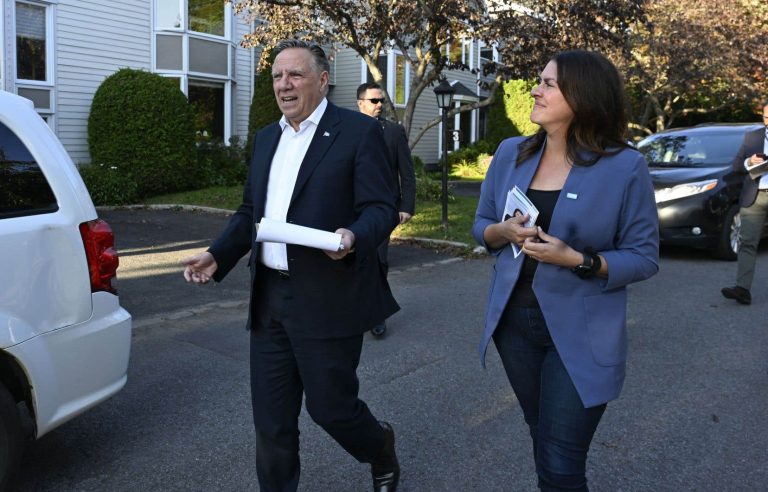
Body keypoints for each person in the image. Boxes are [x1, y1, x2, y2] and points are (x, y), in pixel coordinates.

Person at [181, 40, 401, 492]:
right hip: (271, 300)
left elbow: (381, 207)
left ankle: (379, 446)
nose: (284, 84)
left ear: (322, 80)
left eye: (295, 75)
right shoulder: (266, 138)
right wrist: (217, 254)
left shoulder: (358, 133)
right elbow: (250, 214)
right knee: (272, 421)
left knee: (331, 408)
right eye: (278, 76)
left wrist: (353, 236)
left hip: (329, 296)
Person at [473, 50, 659, 491]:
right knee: (545, 443)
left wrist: (579, 260)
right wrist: (503, 230)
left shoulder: (625, 166)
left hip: (581, 332)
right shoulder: (510, 153)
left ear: (584, 95)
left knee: (561, 463)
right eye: (540, 80)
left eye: (548, 84)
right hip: (514, 325)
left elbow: (645, 256)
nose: (535, 90)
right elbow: (480, 227)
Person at [356, 82, 416, 337]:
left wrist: (406, 206)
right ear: (360, 103)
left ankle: (376, 313)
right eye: (373, 101)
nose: (379, 105)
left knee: (379, 260)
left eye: (381, 100)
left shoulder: (394, 132)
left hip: (383, 208)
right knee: (351, 260)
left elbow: (407, 173)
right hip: (349, 207)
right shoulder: (345, 129)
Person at [721, 102, 768, 305]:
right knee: (747, 242)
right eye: (767, 117)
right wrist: (750, 162)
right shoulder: (753, 137)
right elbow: (736, 165)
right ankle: (742, 289)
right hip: (755, 195)